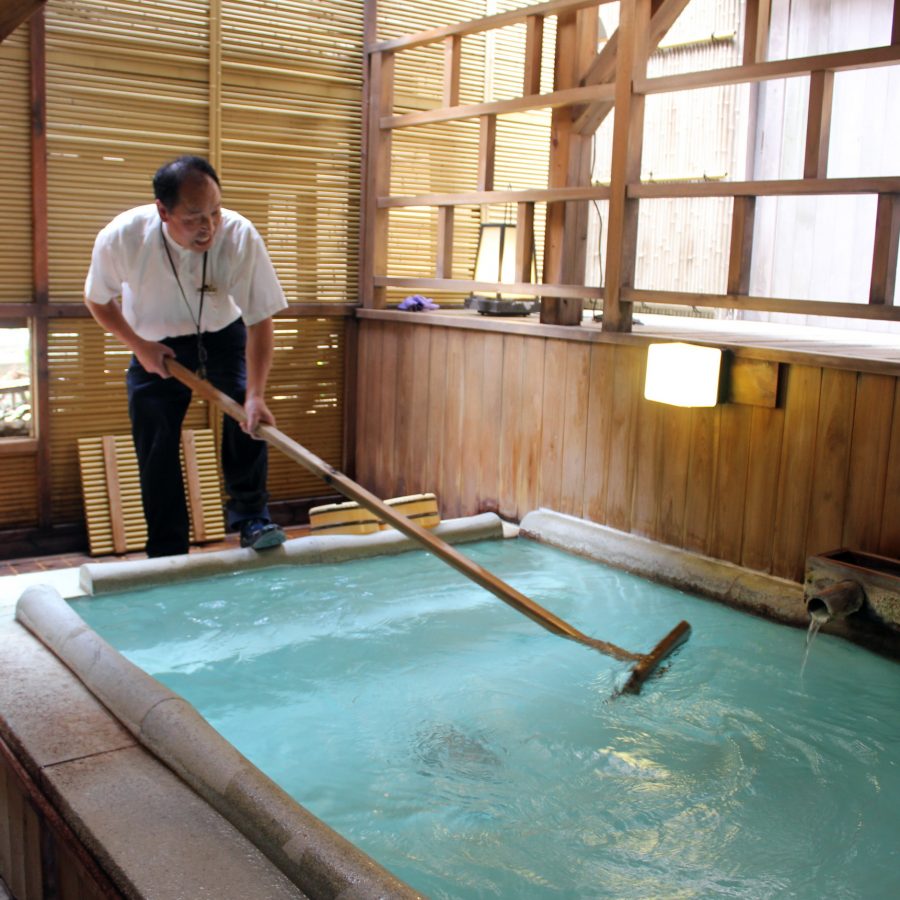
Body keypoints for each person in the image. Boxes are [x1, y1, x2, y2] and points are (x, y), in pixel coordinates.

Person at [84, 155, 288, 557]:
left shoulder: (240, 236)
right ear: (163, 211)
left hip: (222, 333)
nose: (208, 226)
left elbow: (260, 321)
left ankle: (252, 519)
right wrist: (138, 346)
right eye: (194, 216)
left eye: (215, 211)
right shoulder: (123, 236)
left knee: (248, 416)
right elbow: (98, 301)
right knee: (155, 442)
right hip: (152, 342)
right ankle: (167, 546)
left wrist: (257, 395)